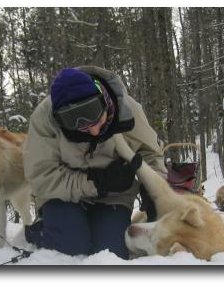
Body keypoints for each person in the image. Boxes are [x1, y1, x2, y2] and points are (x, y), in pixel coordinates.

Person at [23, 66, 166, 259]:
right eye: (79, 124)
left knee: (111, 252)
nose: (94, 131)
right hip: (63, 195)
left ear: (103, 101)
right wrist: (98, 183)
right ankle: (43, 230)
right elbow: (42, 176)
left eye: (95, 116)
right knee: (72, 246)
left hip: (114, 197)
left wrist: (154, 191)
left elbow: (151, 154)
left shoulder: (127, 109)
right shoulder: (44, 119)